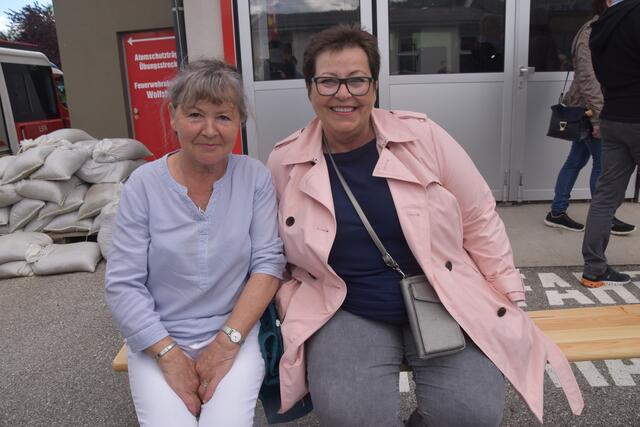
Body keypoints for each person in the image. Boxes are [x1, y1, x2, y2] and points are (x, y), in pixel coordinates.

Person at [267, 24, 584, 426]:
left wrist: (509, 296)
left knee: (471, 415)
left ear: (374, 87)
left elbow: (479, 216)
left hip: (441, 295)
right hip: (344, 307)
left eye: (357, 80)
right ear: (309, 89)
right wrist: (285, 300)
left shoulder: (422, 137)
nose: (343, 94)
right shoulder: (285, 161)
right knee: (351, 417)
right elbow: (273, 251)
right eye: (328, 81)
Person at [104, 59, 285, 426]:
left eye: (223, 117)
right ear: (174, 116)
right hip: (158, 336)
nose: (209, 130)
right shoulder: (143, 185)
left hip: (233, 330)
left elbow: (268, 264)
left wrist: (227, 342)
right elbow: (123, 283)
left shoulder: (254, 177)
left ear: (239, 121)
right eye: (195, 115)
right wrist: (168, 354)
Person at [544, 0, 635, 235]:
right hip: (591, 110)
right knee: (602, 165)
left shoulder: (603, 27)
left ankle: (557, 211)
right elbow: (588, 79)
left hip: (590, 108)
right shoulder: (593, 30)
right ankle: (604, 217)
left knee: (576, 160)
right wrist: (597, 118)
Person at [581, 0, 640, 287]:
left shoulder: (599, 26)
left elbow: (600, 75)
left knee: (605, 196)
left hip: (613, 117)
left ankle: (594, 268)